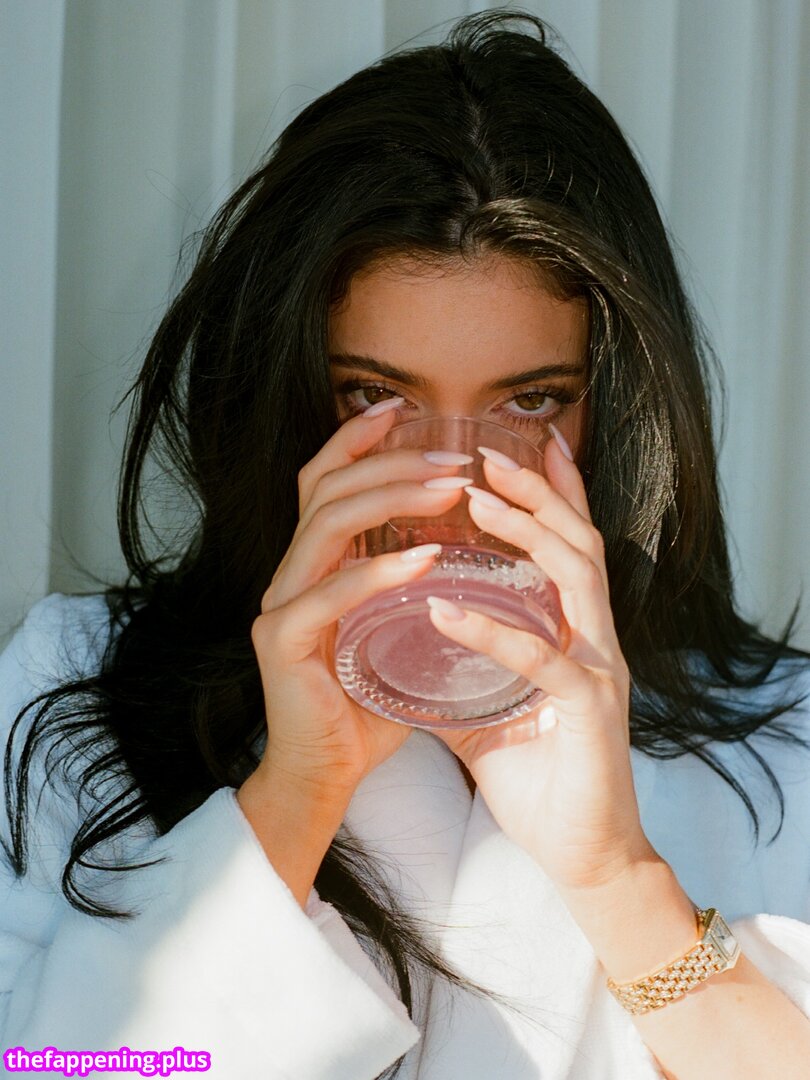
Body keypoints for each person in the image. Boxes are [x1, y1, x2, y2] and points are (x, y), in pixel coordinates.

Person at [2, 10, 810, 1079]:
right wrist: (296, 792)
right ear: (287, 391)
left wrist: (618, 878)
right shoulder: (79, 690)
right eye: (375, 396)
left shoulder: (781, 739)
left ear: (611, 411)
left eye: (530, 401)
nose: (450, 483)